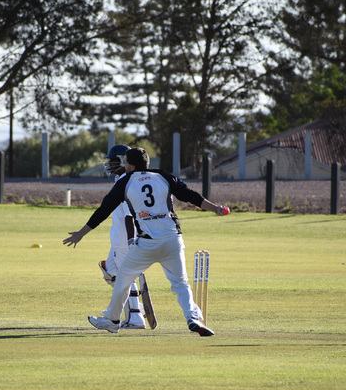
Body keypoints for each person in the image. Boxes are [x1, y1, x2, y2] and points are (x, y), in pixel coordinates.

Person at [63, 147, 229, 336]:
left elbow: (104, 210)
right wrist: (215, 208)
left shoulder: (125, 181)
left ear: (131, 166)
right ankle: (192, 318)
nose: (124, 166)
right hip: (173, 239)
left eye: (125, 163)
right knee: (181, 283)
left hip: (147, 243)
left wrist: (81, 233)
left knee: (123, 277)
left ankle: (112, 320)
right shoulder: (163, 176)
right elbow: (189, 195)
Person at [99, 144, 146, 329]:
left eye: (113, 160)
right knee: (110, 270)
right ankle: (131, 306)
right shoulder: (122, 178)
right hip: (118, 238)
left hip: (125, 239)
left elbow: (129, 215)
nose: (109, 164)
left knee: (124, 276)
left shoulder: (128, 181)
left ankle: (134, 317)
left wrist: (130, 241)